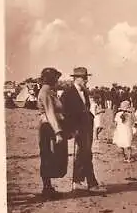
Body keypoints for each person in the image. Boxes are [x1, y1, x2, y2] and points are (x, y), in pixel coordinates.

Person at [61, 67, 106, 192]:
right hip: (77, 129)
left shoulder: (85, 92)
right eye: (84, 78)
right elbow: (64, 112)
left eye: (86, 77)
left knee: (83, 154)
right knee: (86, 154)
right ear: (76, 78)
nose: (86, 80)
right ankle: (92, 184)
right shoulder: (68, 93)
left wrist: (90, 117)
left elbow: (86, 108)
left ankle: (77, 181)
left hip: (86, 127)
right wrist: (71, 129)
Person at [37, 67, 68, 198]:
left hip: (50, 126)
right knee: (48, 155)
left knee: (49, 155)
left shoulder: (49, 91)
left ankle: (48, 187)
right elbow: (50, 113)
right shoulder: (46, 92)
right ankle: (47, 189)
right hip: (49, 127)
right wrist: (58, 132)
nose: (57, 80)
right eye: (56, 78)